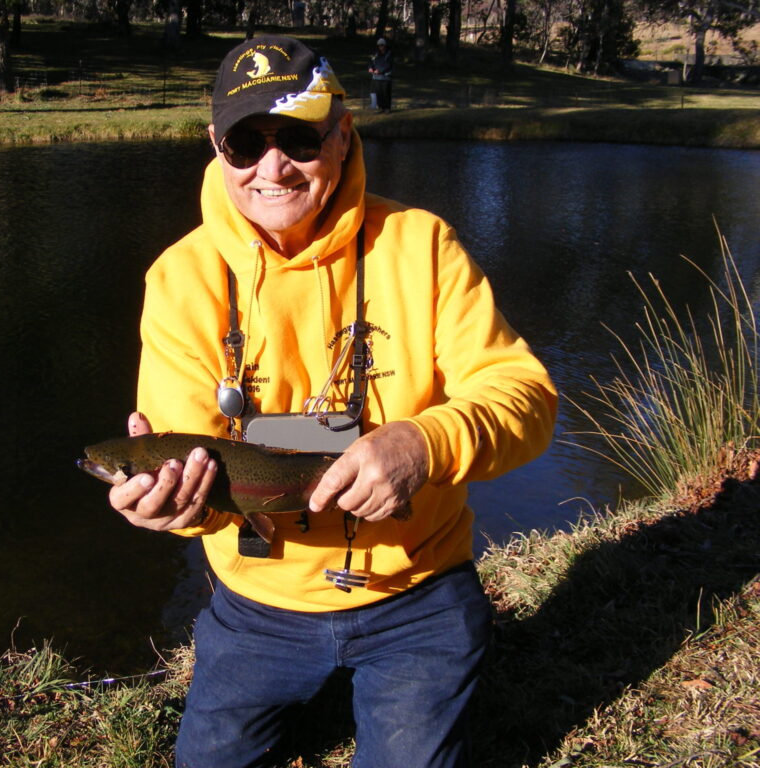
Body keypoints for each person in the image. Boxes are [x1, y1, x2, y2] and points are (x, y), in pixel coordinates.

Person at [104, 35, 557, 768]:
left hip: (417, 592)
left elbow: (526, 397)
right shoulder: (178, 281)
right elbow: (187, 459)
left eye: (300, 138)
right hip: (255, 608)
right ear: (216, 145)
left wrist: (425, 444)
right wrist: (173, 512)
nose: (272, 167)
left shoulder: (422, 248)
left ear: (343, 135)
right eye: (245, 142)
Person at [368, 38, 394, 112]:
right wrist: (370, 68)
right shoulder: (375, 54)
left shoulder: (389, 54)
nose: (380, 47)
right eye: (379, 46)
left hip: (386, 77)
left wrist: (380, 71)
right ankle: (381, 107)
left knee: (386, 93)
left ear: (385, 45)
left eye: (382, 45)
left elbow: (388, 65)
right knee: (378, 93)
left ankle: (387, 108)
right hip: (376, 77)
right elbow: (371, 62)